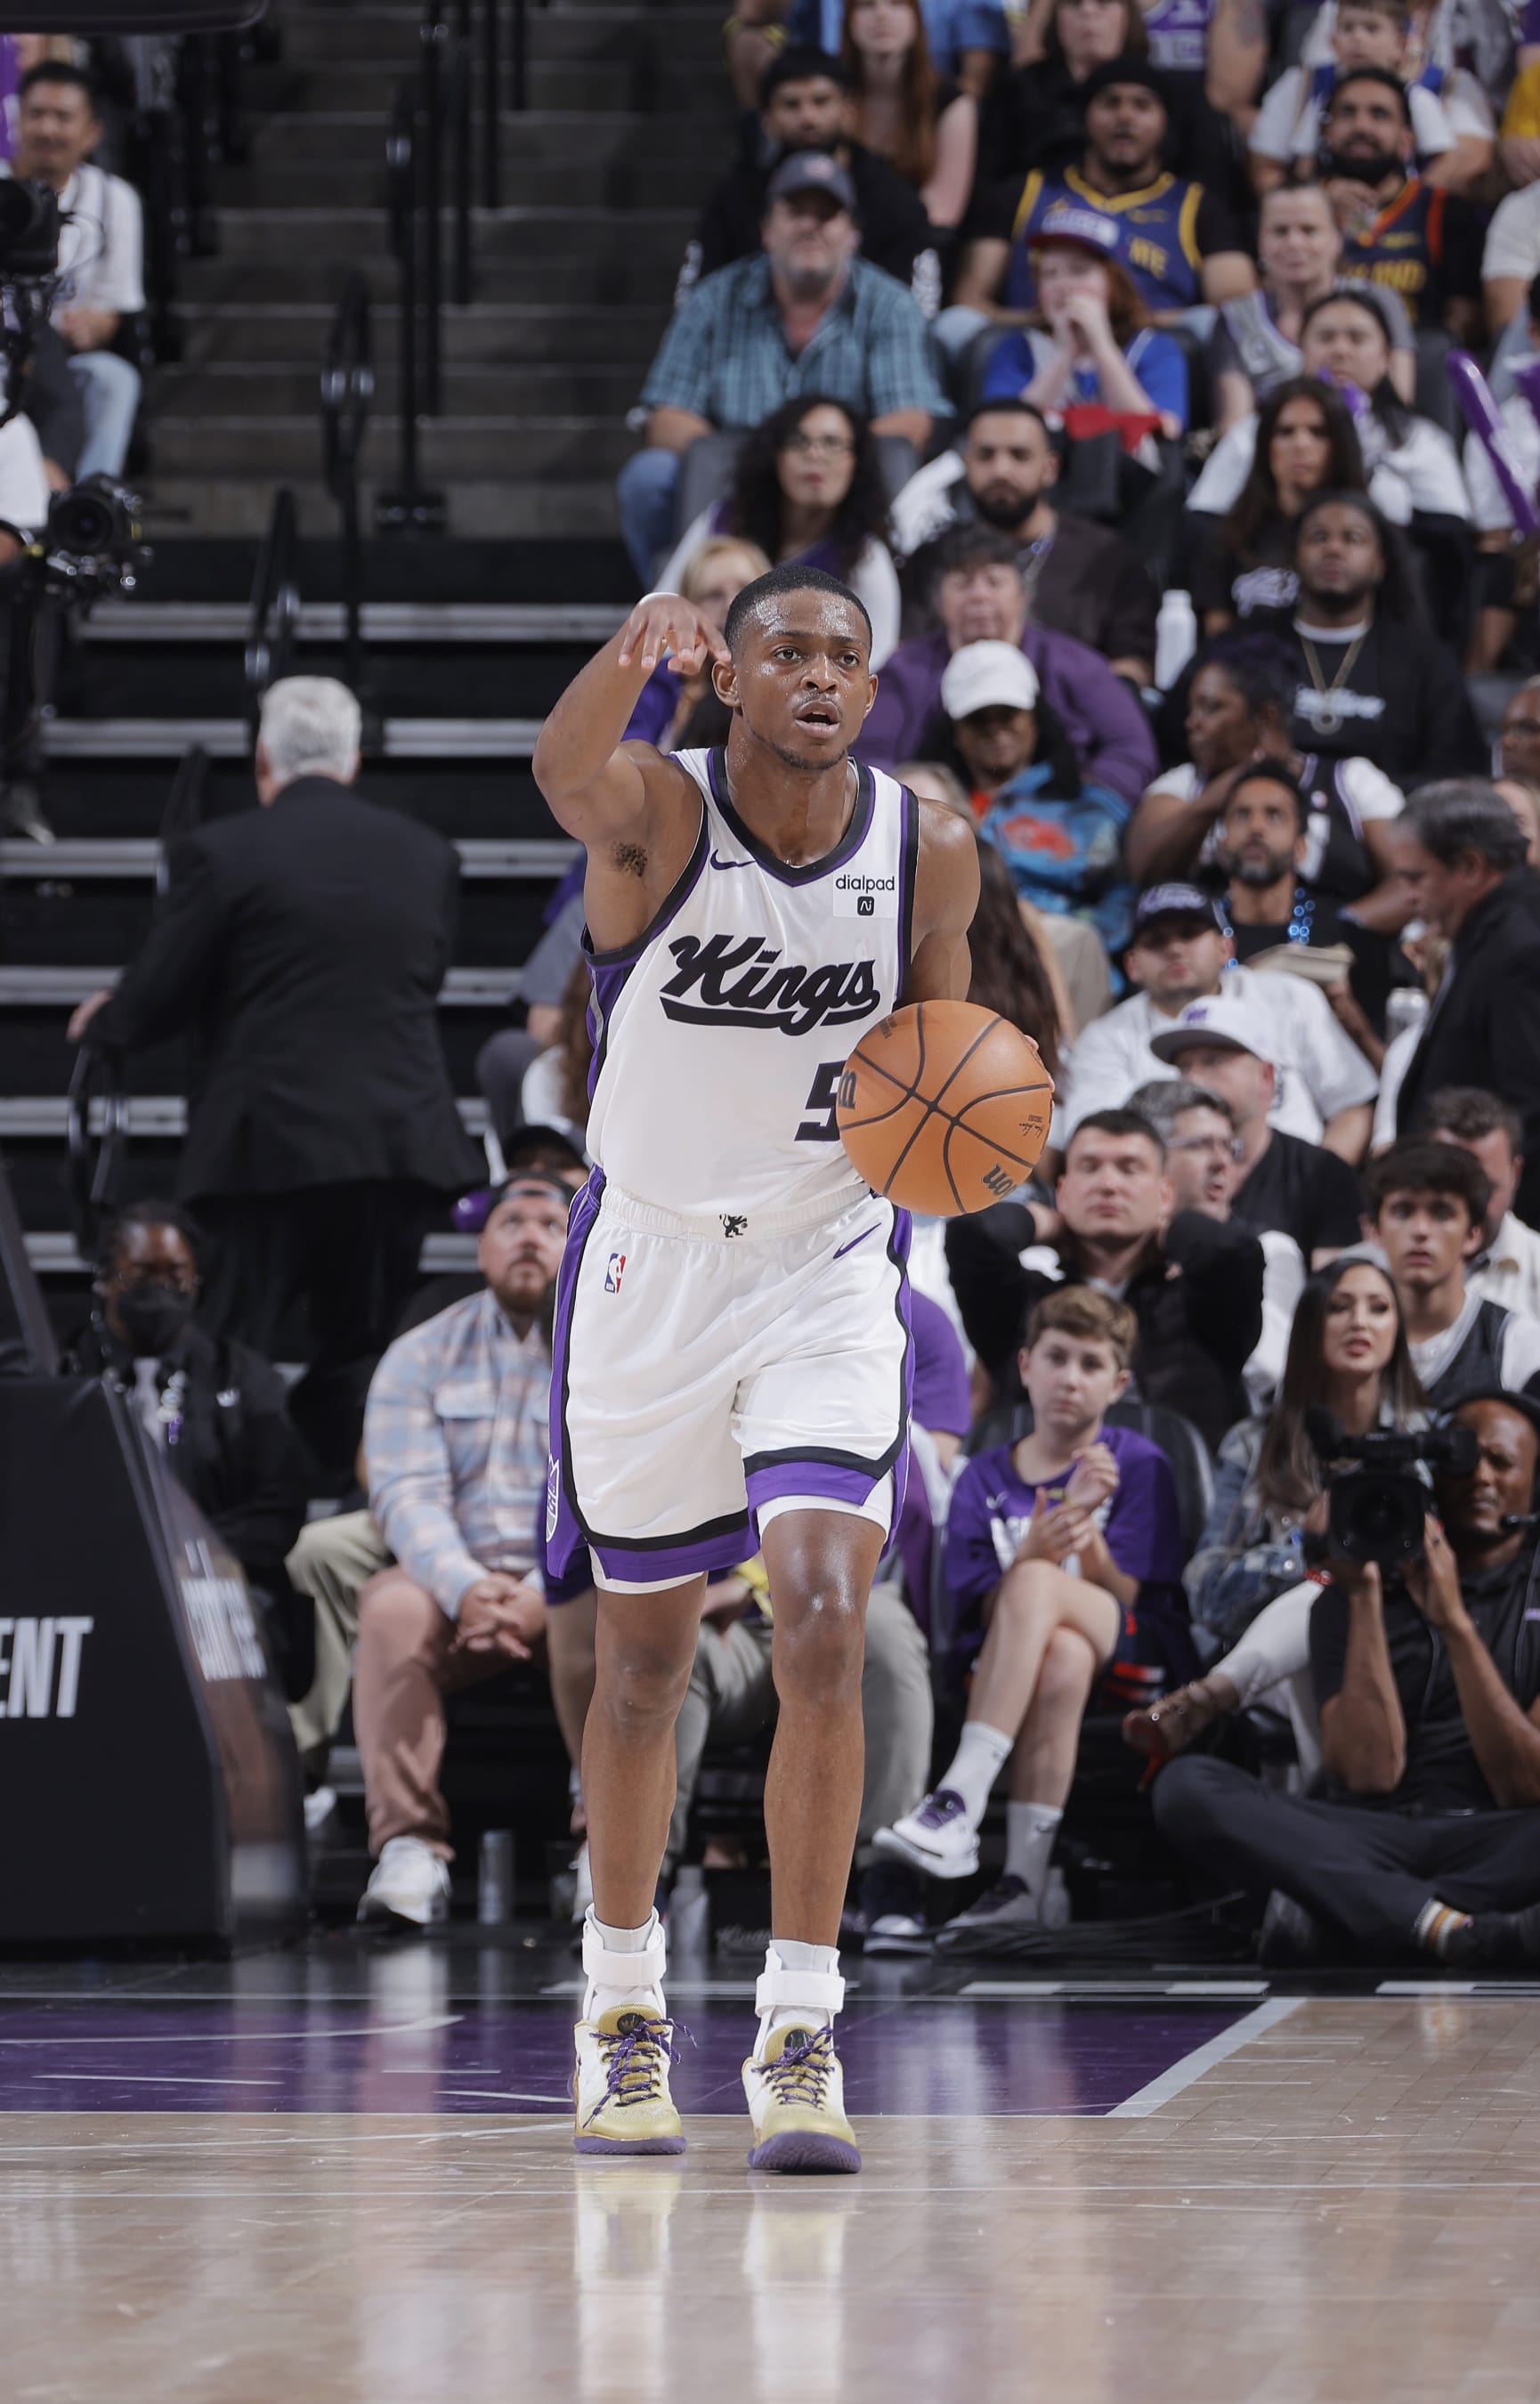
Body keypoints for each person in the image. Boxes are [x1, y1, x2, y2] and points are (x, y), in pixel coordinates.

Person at [531, 564, 978, 2171]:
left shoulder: (931, 845)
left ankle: (800, 2028)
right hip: (647, 1267)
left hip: (822, 1264)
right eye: (784, 649)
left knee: (826, 1620)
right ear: (732, 678)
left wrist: (972, 1135)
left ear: (873, 685)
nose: (817, 674)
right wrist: (628, 647)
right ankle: (622, 2006)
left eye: (843, 655)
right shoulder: (659, 807)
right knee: (642, 1667)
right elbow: (561, 773)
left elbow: (941, 1072)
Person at [66, 678, 480, 1474]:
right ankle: (335, 1501)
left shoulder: (221, 852)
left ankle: (235, 1514)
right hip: (394, 1144)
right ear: (352, 760)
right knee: (364, 1351)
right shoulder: (429, 855)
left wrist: (109, 1021)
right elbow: (425, 974)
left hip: (263, 1146)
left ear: (263, 758)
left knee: (228, 1349)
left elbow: (161, 990)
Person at [1152, 1393, 1540, 1970]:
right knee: (1187, 1786)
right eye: (1464, 1461)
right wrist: (1362, 1597)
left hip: (1499, 1835)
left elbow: (1525, 1784)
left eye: (1502, 1462)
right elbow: (1367, 1774)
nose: (1481, 1477)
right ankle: (1447, 1926)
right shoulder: (1353, 1592)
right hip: (1368, 1832)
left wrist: (1455, 1624)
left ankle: (1355, 1910)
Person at [874, 1288, 1190, 1928]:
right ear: (1025, 1366)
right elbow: (977, 1610)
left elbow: (1136, 1597)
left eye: (1091, 1364)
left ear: (1118, 1384)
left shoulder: (1138, 1462)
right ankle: (1023, 1883)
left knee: (1038, 1583)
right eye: (1056, 1357)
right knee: (1061, 1655)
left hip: (1133, 1651)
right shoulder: (982, 1475)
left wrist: (1079, 1531)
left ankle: (959, 1797)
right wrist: (1036, 1551)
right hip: (1016, 1660)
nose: (1070, 1378)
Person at [350, 1175, 593, 1928]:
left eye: (551, 1223)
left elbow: (610, 1491)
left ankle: (607, 1848)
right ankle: (409, 1848)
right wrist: (464, 1587)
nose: (530, 1236)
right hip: (450, 1585)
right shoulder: (420, 1353)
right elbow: (405, 1493)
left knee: (615, 1612)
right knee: (390, 1609)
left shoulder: (609, 1351)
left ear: (578, 1245)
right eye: (511, 1222)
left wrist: (540, 1590)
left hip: (568, 1578)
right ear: (482, 1248)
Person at [1124, 1255, 1423, 1770]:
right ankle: (1332, 1800)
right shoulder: (1255, 1443)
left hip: (1399, 1642)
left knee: (1334, 1600)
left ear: (1397, 1329)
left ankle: (1209, 1698)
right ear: (1310, 1325)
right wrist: (1302, 1552)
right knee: (1322, 1603)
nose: (1359, 1322)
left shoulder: (1424, 1444)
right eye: (1340, 1307)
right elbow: (1207, 1592)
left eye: (1378, 1308)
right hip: (1285, 1655)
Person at [619, 150, 947, 580]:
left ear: (852, 233)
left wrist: (825, 459)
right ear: (766, 230)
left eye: (826, 215)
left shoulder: (890, 305)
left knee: (899, 474)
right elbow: (667, 418)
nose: (810, 226)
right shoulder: (713, 299)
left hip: (840, 483)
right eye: (795, 212)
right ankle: (678, 604)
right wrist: (767, 463)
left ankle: (874, 601)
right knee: (648, 478)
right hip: (733, 478)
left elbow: (908, 423)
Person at [63, 1198, 313, 1696]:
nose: (161, 1288)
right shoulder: (65, 1372)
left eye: (176, 1274)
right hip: (90, 1574)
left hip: (216, 1578)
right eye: (141, 1275)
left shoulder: (244, 1377)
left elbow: (279, 1506)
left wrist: (193, 1553)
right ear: (105, 1279)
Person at [944, 1108, 1265, 1450]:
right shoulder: (1023, 1305)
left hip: (1181, 1481)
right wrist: (1048, 1222)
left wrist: (1164, 1233)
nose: (1108, 1185)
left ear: (1165, 1194)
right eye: (1089, 1167)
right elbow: (974, 1234)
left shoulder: (1200, 1309)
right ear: (1063, 1192)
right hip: (1038, 1481)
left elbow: (1234, 1252)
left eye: (1129, 1168)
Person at [943, 54, 1254, 351]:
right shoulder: (1023, 192)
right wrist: (1051, 321)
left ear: (1165, 122)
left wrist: (1119, 323)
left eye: (1142, 105)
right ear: (1085, 116)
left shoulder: (1198, 206)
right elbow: (971, 299)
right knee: (955, 326)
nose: (1125, 116)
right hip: (1039, 344)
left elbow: (1234, 304)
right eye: (1110, 103)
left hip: (1153, 349)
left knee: (1212, 324)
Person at [1060, 883, 1379, 1156]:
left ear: (1226, 947)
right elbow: (1099, 1142)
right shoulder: (1103, 1038)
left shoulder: (1290, 997)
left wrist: (1316, 1182)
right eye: (1157, 940)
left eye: (1189, 934)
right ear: (1132, 965)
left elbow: (1353, 1106)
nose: (1174, 949)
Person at [857, 522, 1157, 799]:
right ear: (938, 601)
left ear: (1022, 596)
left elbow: (1132, 750)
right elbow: (868, 757)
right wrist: (925, 803)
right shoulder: (904, 671)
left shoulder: (1076, 664)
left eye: (994, 581)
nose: (979, 596)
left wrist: (1078, 808)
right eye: (963, 583)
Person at [1128, 634, 1410, 911]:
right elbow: (1141, 870)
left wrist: (1341, 929)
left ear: (1265, 716)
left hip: (1329, 938)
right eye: (1193, 708)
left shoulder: (1352, 780)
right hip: (1214, 939)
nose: (1192, 723)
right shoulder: (1184, 784)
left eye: (1211, 708)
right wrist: (1213, 800)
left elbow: (1408, 880)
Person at [888, 398, 1158, 680]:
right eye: (986, 455)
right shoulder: (934, 558)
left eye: (1019, 455)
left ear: (1050, 468)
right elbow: (906, 656)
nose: (1001, 470)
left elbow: (1133, 669)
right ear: (967, 464)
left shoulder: (1106, 558)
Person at [1191, 291, 1471, 539]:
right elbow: (1203, 523)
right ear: (1302, 352)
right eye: (1325, 337)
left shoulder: (1418, 440)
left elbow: (1450, 533)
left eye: (1357, 338)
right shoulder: (1252, 433)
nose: (1340, 351)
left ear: (1385, 357)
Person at [677, 46, 937, 308]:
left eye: (821, 101)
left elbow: (918, 306)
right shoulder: (734, 200)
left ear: (848, 111)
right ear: (767, 120)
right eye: (791, 104)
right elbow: (695, 299)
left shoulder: (893, 198)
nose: (808, 117)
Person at [654, 396, 902, 666]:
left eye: (832, 443)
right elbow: (661, 614)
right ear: (775, 456)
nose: (815, 455)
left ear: (856, 461)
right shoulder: (723, 520)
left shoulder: (865, 556)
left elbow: (875, 665)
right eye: (799, 441)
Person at [1391, 782, 1540, 1216]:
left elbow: (1530, 1108)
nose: (1407, 896)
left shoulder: (1521, 947)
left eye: (1416, 878)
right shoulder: (1491, 932)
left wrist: (1474, 1216)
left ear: (1471, 867)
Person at [937, 638, 1135, 954]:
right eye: (978, 718)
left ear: (1034, 717)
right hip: (967, 955)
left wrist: (1066, 933)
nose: (995, 729)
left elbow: (1120, 897)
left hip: (1067, 950)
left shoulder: (1086, 807)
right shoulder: (931, 804)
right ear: (955, 731)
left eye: (1008, 713)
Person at [1276, 492, 1484, 784]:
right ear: (1295, 556)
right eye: (1319, 537)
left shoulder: (1426, 662)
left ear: (1379, 563)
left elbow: (1454, 771)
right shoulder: (1245, 648)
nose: (1333, 548)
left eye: (1353, 538)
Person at [1128, 1074, 1306, 1401]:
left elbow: (1268, 1367)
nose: (1222, 1162)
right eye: (1199, 1145)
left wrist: (1175, 1234)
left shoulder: (1271, 1248)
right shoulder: (1115, 1251)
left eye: (1228, 1146)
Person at [1149, 987, 1371, 1249]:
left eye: (1213, 1061)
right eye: (1184, 1066)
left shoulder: (1321, 1175)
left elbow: (1339, 1274)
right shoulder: (1157, 1170)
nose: (1193, 1079)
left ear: (1266, 1077)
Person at [4, 62, 143, 476]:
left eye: (63, 117)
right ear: (17, 121)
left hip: (63, 356)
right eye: (36, 114)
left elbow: (113, 309)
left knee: (113, 379)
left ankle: (86, 499)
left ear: (91, 132)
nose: (47, 129)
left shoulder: (114, 199)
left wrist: (95, 325)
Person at [1205, 759, 1400, 1034]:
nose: (1256, 827)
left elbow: (1383, 1055)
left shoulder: (1347, 939)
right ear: (1221, 843)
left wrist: (1351, 1023)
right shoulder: (1196, 934)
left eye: (1274, 815)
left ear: (1301, 847)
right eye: (1242, 815)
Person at [1211, 182, 1417, 431]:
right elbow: (1235, 426)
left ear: (1336, 239)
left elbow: (1398, 409)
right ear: (1260, 242)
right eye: (1280, 232)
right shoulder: (1235, 317)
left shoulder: (1379, 301)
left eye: (1309, 230)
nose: (1294, 243)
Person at [978, 207, 1190, 437]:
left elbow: (1163, 433)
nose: (1062, 285)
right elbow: (1000, 432)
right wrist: (1064, 355)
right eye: (1050, 273)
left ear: (1114, 282)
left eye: (1078, 271)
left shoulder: (1155, 348)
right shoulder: (1017, 348)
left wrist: (1102, 345)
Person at [1249, 0, 1492, 196]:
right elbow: (1304, 163)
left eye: (1371, 29)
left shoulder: (1418, 97)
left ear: (1401, 45)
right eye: (1348, 28)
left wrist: (1404, 205)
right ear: (1332, 41)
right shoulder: (1318, 98)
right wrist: (1322, 194)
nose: (1358, 39)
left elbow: (1448, 159)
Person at [1187, 378, 1371, 631]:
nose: (1301, 444)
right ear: (1266, 445)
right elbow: (1218, 642)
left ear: (1340, 446)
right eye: (1285, 432)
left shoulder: (1371, 538)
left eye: (1318, 432)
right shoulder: (1227, 539)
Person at [1316, 69, 1485, 340]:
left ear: (1406, 140)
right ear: (1326, 132)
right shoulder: (1300, 209)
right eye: (1347, 113)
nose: (1362, 126)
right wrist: (1316, 205)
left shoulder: (1443, 210)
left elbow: (1464, 322)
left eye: (1379, 114)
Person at [1367, 1139, 1540, 1402]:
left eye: (1441, 1214)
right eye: (1403, 1212)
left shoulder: (1517, 1345)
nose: (1421, 1231)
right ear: (1375, 1230)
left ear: (1473, 1233)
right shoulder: (1339, 1337)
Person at [841, 0, 978, 228]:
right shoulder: (829, 99)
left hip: (922, 238)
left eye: (896, 3)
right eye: (866, 5)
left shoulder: (952, 103)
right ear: (848, 22)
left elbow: (943, 212)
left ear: (916, 18)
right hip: (840, 239)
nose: (881, 14)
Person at [1426, 1088, 1540, 1321]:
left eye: (1485, 1189)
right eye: (1451, 1187)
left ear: (1515, 1173)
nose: (1468, 1206)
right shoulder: (1372, 1271)